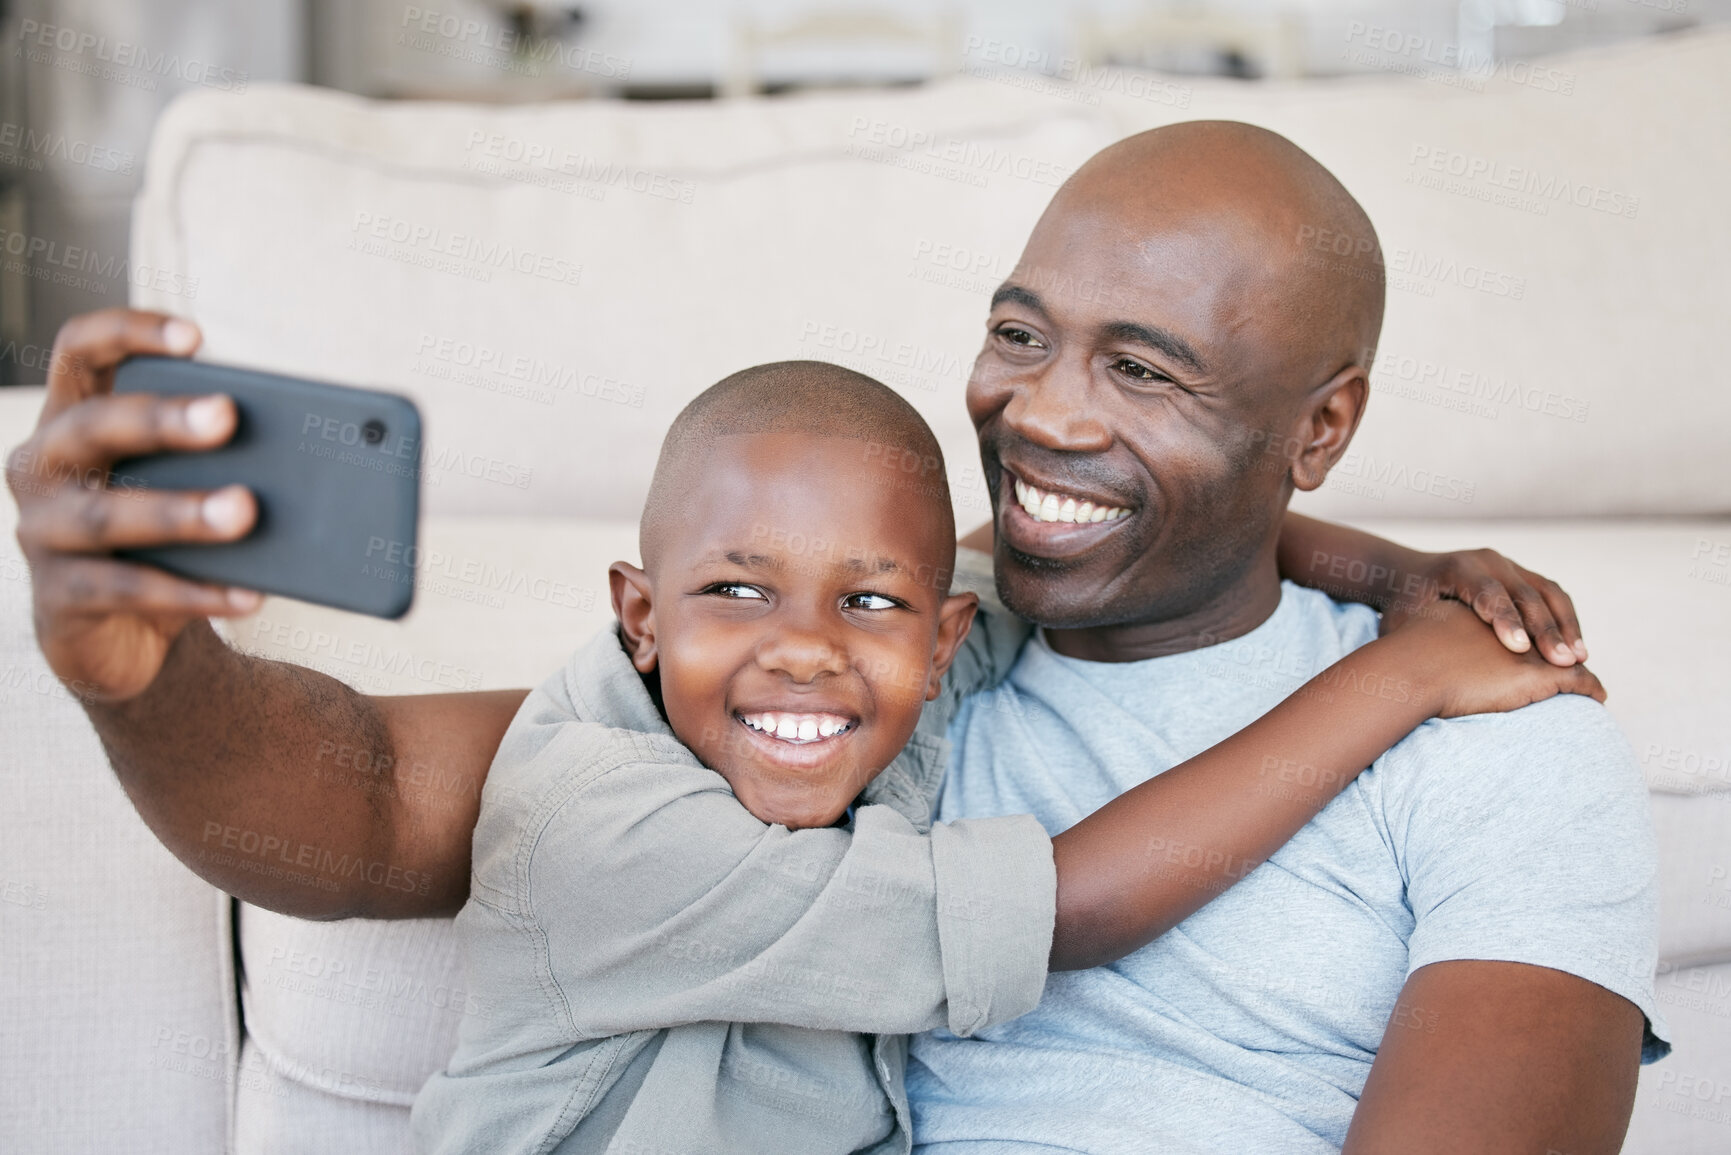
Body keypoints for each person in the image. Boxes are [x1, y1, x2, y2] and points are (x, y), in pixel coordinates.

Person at [2, 121, 1661, 1152]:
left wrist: (1385, 595)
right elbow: (361, 794)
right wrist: (143, 678)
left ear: (1320, 428)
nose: (1040, 412)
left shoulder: (1503, 736)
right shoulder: (865, 657)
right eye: (1020, 333)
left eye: (1142, 371)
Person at [413, 360, 1601, 1154]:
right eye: (734, 590)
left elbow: (1157, 529)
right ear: (639, 617)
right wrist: (1406, 675)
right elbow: (1069, 906)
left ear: (943, 643)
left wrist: (1404, 581)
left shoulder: (901, 670)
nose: (809, 653)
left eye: (869, 605)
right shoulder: (602, 824)